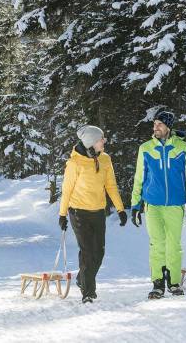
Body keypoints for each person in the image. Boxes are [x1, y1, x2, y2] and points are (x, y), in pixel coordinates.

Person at [131, 110, 186, 299]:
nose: (155, 127)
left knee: (174, 245)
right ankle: (158, 283)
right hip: (152, 204)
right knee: (157, 244)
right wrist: (136, 205)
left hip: (175, 204)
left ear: (168, 126)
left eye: (159, 124)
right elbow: (139, 178)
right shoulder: (145, 148)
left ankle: (174, 282)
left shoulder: (184, 148)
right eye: (154, 124)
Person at [58, 125, 128, 304]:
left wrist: (120, 209)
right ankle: (88, 292)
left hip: (98, 212)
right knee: (88, 251)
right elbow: (67, 190)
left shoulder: (105, 159)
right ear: (90, 142)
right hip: (78, 212)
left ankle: (83, 277)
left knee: (99, 252)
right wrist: (62, 214)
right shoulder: (75, 163)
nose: (103, 141)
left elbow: (111, 185)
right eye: (100, 139)